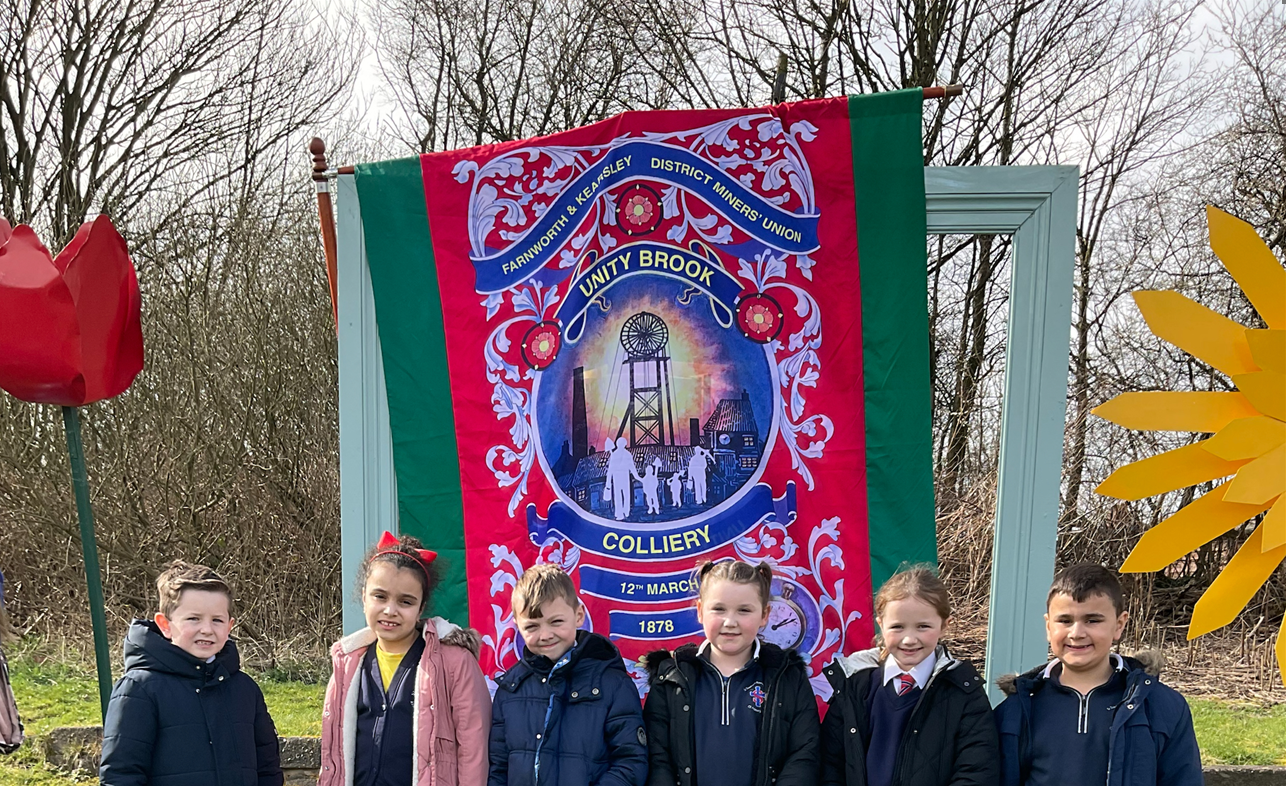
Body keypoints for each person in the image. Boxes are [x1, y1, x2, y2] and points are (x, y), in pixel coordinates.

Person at [993, 563, 1202, 785]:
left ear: (1119, 625)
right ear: (1048, 626)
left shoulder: (1163, 706)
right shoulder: (1016, 710)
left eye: (1092, 620)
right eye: (1065, 621)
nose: (1076, 633)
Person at [320, 531, 490, 786]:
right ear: (364, 596)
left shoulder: (455, 663)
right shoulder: (347, 663)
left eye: (405, 602)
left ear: (421, 608)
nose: (390, 610)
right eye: (380, 596)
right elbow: (333, 755)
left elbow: (473, 751)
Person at [99, 560, 282, 785]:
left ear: (229, 626)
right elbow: (122, 774)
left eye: (217, 620)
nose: (206, 629)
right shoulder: (139, 689)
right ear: (165, 625)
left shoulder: (244, 688)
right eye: (193, 619)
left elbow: (268, 767)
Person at [643, 560, 819, 785]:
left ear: (765, 614)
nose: (730, 622)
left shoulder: (787, 676)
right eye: (719, 609)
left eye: (744, 610)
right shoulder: (671, 676)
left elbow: (804, 753)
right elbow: (658, 757)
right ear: (700, 611)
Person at [819, 566, 998, 785]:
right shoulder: (854, 684)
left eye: (923, 627)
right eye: (898, 627)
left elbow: (976, 771)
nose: (909, 639)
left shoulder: (965, 692)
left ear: (944, 626)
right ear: (881, 625)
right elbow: (829, 764)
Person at [488, 563, 647, 785]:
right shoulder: (510, 689)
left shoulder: (614, 683)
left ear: (578, 615)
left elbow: (631, 762)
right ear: (517, 625)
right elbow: (498, 769)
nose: (545, 635)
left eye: (556, 622)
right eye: (532, 627)